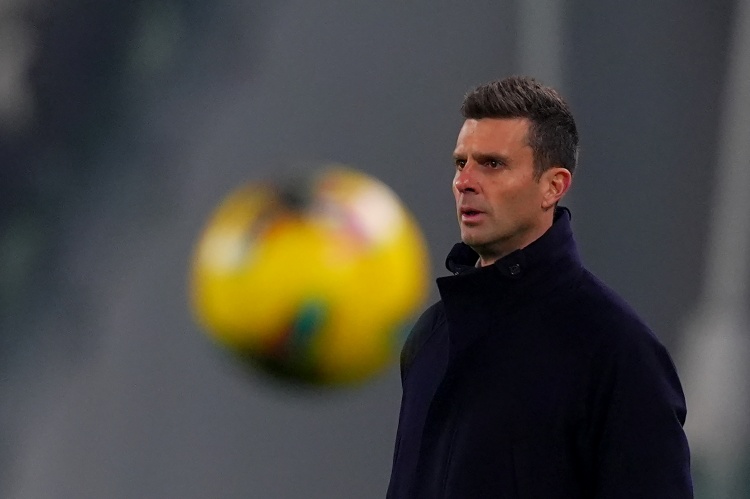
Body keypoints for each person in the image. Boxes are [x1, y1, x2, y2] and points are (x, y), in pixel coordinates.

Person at [386, 76, 692, 498]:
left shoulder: (617, 349)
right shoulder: (430, 336)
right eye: (461, 163)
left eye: (492, 164)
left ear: (553, 186)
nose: (464, 182)